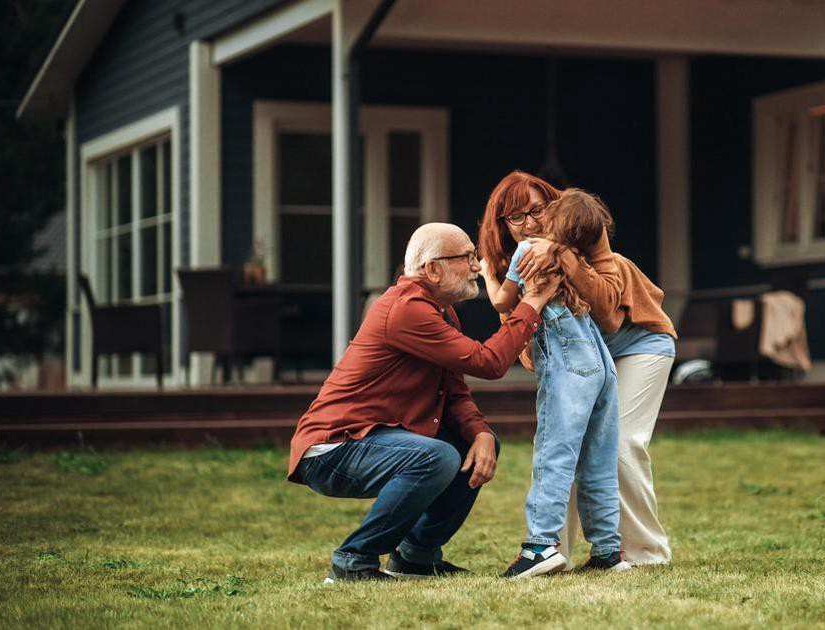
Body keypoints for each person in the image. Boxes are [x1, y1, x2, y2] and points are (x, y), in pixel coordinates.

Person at [286, 222, 559, 583]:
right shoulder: (407, 309)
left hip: (372, 439)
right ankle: (353, 561)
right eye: (467, 257)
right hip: (333, 447)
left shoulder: (441, 311)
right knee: (438, 456)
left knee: (469, 446)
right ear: (433, 269)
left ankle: (416, 557)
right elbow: (488, 363)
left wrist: (480, 433)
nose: (477, 266)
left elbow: (455, 392)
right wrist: (533, 303)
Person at [480, 172, 676, 568]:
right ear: (502, 225)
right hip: (584, 358)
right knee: (568, 442)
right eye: (516, 218)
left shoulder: (585, 236)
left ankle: (645, 553)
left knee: (619, 445)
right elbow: (523, 340)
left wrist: (562, 252)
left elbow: (608, 318)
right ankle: (559, 554)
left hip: (639, 346)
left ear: (554, 207)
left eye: (537, 210)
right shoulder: (516, 260)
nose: (529, 223)